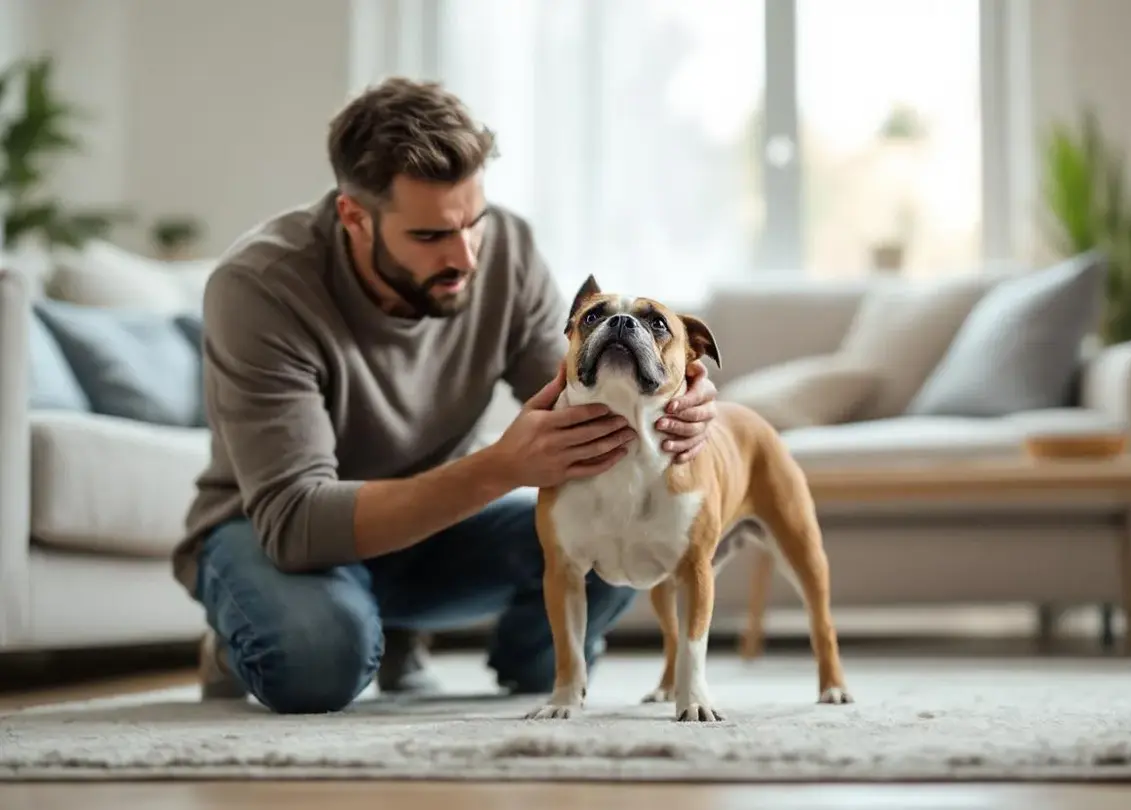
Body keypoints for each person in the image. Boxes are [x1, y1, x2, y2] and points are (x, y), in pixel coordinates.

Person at [173, 76, 720, 715]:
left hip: (437, 524)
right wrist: (502, 467)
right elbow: (295, 521)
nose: (465, 255)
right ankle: (257, 634)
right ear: (354, 217)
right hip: (279, 534)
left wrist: (678, 398)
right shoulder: (261, 287)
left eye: (474, 222)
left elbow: (574, 394)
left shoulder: (507, 250)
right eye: (430, 236)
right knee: (316, 658)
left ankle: (436, 638)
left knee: (622, 544)